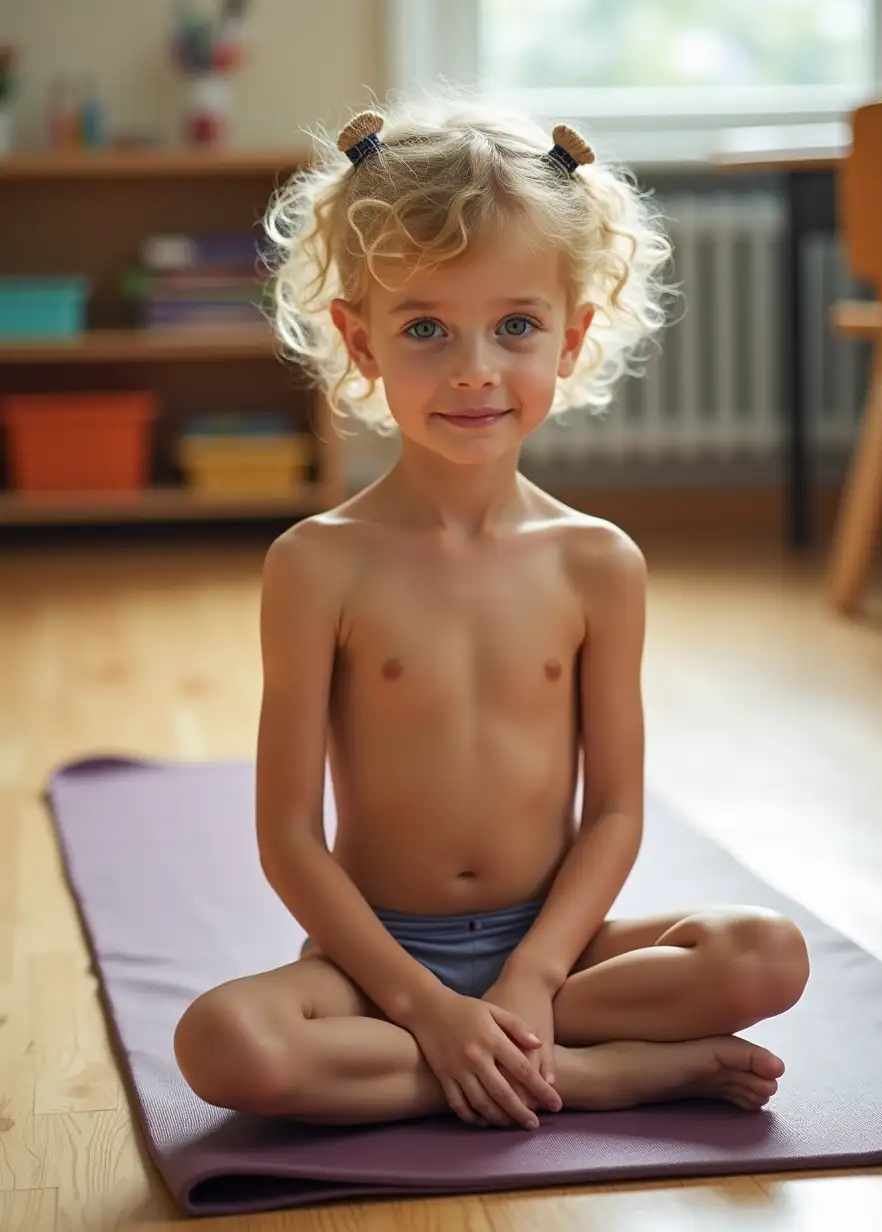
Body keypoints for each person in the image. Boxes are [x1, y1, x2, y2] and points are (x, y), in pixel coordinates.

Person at [174, 95, 810, 1133]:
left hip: (556, 952)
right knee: (224, 1042)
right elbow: (289, 833)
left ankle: (510, 1042)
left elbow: (611, 810)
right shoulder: (315, 562)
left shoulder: (598, 563)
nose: (474, 368)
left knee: (765, 951)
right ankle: (592, 1073)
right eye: (425, 326)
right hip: (375, 963)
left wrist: (529, 975)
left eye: (515, 325)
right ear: (359, 339)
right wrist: (424, 1004)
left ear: (571, 337)